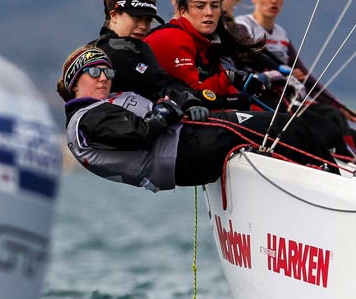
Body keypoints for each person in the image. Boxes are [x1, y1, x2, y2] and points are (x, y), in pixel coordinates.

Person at [58, 46, 341, 191]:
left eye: (108, 73)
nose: (104, 79)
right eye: (95, 73)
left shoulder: (100, 107)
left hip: (187, 147)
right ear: (74, 82)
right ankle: (334, 186)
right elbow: (139, 133)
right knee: (279, 125)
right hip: (185, 153)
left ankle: (322, 176)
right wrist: (167, 110)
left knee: (281, 125)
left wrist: (177, 103)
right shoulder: (86, 118)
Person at [234, 0, 356, 130]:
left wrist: (345, 109)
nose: (274, 1)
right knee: (330, 118)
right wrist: (282, 73)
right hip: (262, 98)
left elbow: (307, 79)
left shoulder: (282, 35)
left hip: (288, 96)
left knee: (336, 117)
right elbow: (244, 64)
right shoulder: (242, 26)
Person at [146, 0, 271, 109]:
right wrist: (230, 77)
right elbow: (195, 95)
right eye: (200, 6)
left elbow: (228, 92)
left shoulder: (208, 42)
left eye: (214, 6)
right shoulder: (174, 37)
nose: (209, 13)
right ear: (183, 11)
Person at [89, 0, 200, 109]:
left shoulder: (138, 47)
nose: (143, 26)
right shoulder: (105, 53)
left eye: (148, 20)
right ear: (114, 15)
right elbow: (159, 83)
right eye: (137, 18)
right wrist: (195, 100)